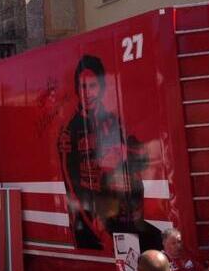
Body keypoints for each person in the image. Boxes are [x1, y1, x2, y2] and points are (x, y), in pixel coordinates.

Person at [58, 55, 161, 251]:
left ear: (102, 87)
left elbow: (136, 163)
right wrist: (91, 219)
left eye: (93, 86)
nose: (87, 93)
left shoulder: (113, 121)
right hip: (91, 220)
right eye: (82, 87)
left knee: (154, 243)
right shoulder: (69, 130)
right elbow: (71, 185)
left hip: (121, 213)